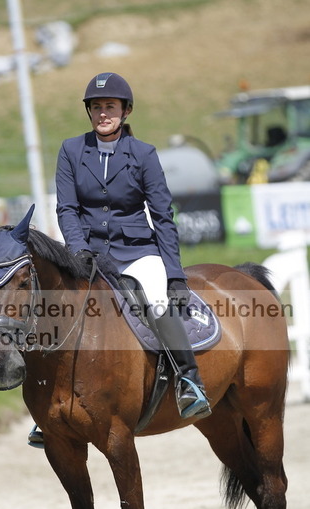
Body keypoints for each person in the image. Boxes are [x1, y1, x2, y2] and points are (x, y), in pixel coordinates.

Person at [28, 72, 210, 447]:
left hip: (136, 252)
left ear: (125, 111)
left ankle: (188, 381)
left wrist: (174, 274)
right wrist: (77, 248)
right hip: (87, 252)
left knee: (157, 302)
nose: (103, 113)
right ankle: (48, 405)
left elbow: (162, 217)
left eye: (110, 106)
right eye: (96, 107)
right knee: (54, 307)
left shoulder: (144, 154)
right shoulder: (71, 150)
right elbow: (67, 208)